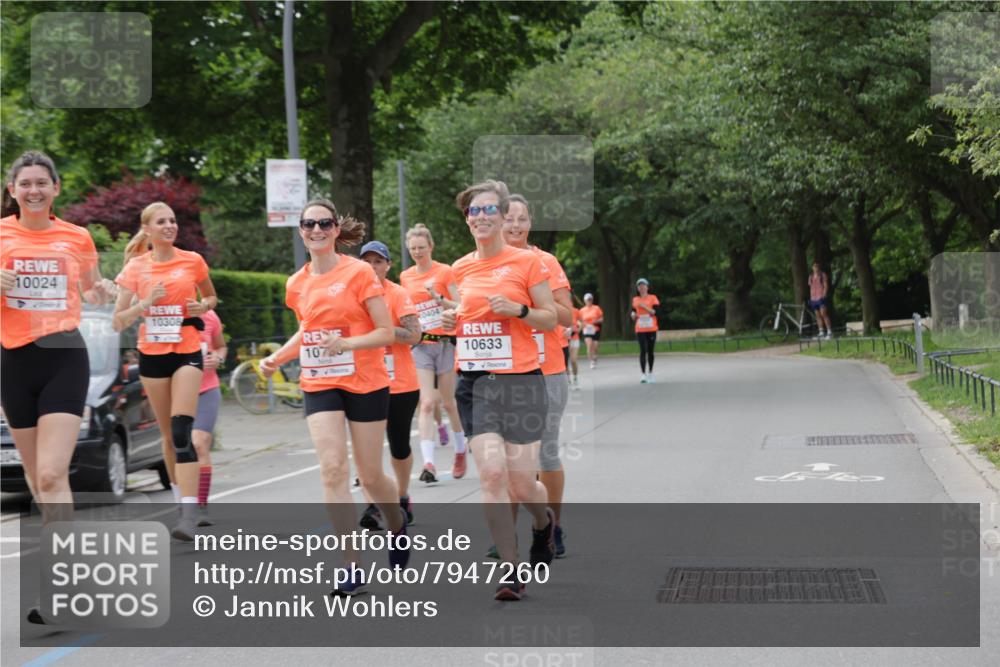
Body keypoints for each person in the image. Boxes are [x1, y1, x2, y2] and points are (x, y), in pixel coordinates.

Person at [258, 199, 408, 596]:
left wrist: (346, 344)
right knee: (332, 469)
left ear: (336, 230)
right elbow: (308, 332)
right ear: (301, 231)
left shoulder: (359, 272)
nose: (317, 229)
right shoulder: (296, 283)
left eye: (325, 223)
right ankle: (351, 566)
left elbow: (386, 332)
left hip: (366, 379)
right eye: (309, 224)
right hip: (320, 382)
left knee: (371, 475)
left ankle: (397, 524)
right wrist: (278, 357)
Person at [1, 151, 116, 624]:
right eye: (24, 183)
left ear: (56, 188)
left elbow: (91, 289)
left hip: (64, 355)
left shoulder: (77, 237)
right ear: (12, 190)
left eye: (41, 183)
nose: (33, 190)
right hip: (12, 360)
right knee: (36, 480)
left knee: (51, 475)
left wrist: (103, 291)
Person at [442, 179, 558, 601]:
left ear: (503, 215)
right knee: (491, 475)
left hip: (522, 382)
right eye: (474, 211)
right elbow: (463, 316)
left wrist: (520, 310)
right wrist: (453, 322)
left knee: (521, 485)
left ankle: (544, 524)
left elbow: (550, 318)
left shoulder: (527, 264)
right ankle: (510, 571)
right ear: (467, 219)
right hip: (475, 383)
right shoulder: (458, 268)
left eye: (490, 210)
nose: (482, 217)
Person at [113, 202, 218, 541]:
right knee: (168, 438)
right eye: (162, 222)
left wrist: (203, 306)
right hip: (152, 355)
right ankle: (179, 501)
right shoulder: (135, 269)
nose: (170, 226)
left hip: (187, 350)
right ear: (147, 229)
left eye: (173, 220)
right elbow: (119, 320)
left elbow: (211, 297)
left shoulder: (192, 260)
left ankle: (190, 514)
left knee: (181, 428)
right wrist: (146, 303)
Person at [503, 194, 575, 558]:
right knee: (510, 462)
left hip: (546, 370)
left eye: (522, 219)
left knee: (545, 454)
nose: (515, 226)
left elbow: (567, 316)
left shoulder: (544, 261)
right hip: (503, 374)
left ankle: (552, 527)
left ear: (530, 223)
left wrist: (524, 310)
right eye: (509, 219)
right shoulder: (487, 267)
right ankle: (509, 536)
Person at [358, 240, 422, 529]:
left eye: (378, 262)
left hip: (400, 383)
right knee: (365, 449)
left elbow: (414, 335)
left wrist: (382, 331)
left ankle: (401, 495)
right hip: (363, 381)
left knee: (398, 445)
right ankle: (373, 504)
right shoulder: (351, 293)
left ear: (387, 265)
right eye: (367, 261)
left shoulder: (398, 294)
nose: (372, 267)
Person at [400, 224, 467, 483]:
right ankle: (428, 463)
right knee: (427, 403)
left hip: (445, 344)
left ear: (431, 247)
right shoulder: (406, 277)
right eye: (413, 248)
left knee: (449, 403)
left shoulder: (444, 271)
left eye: (422, 247)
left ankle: (460, 450)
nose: (418, 252)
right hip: (421, 347)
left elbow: (461, 305)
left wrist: (436, 297)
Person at [191, 309, 227, 526]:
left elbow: (221, 346)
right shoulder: (166, 314)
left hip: (207, 389)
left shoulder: (210, 315)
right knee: (180, 447)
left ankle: (201, 505)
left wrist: (218, 357)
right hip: (177, 391)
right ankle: (184, 502)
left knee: (200, 444)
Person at [631, 278, 660, 383]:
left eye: (643, 285)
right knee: (643, 350)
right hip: (640, 328)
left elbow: (655, 312)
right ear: (638, 289)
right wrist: (633, 315)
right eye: (639, 286)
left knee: (650, 351)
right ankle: (643, 374)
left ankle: (651, 373)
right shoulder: (635, 299)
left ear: (647, 287)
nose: (641, 288)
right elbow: (633, 312)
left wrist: (644, 307)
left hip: (651, 328)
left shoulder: (653, 298)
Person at [808, 262, 833, 340]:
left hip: (821, 297)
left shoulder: (822, 275)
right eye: (814, 266)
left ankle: (829, 332)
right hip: (814, 298)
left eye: (817, 266)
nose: (816, 267)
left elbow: (826, 285)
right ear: (812, 267)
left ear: (819, 267)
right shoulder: (811, 277)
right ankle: (821, 332)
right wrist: (811, 296)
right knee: (817, 315)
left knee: (824, 314)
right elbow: (811, 287)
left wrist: (824, 294)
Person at [579, 293, 604, 369]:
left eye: (590, 299)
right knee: (589, 345)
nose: (589, 301)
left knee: (595, 346)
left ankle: (595, 355)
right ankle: (592, 361)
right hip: (587, 329)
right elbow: (579, 321)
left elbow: (601, 319)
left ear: (592, 300)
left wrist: (595, 321)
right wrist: (583, 324)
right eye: (587, 300)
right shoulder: (582, 310)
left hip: (595, 329)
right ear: (585, 301)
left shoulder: (596, 308)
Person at [567, 305, 582, 388]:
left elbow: (581, 323)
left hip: (574, 338)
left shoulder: (575, 311)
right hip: (563, 339)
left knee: (573, 360)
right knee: (565, 362)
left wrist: (578, 328)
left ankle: (575, 378)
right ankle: (568, 379)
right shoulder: (560, 309)